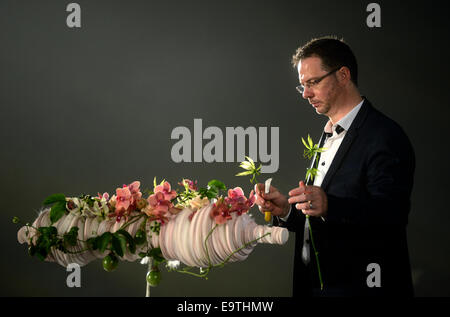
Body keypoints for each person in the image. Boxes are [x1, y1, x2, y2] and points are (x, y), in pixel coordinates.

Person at [255, 36, 415, 297]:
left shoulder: (384, 135)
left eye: (313, 83)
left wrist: (330, 204)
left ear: (343, 75)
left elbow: (391, 217)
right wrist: (286, 211)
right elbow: (324, 220)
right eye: (302, 86)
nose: (306, 93)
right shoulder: (329, 133)